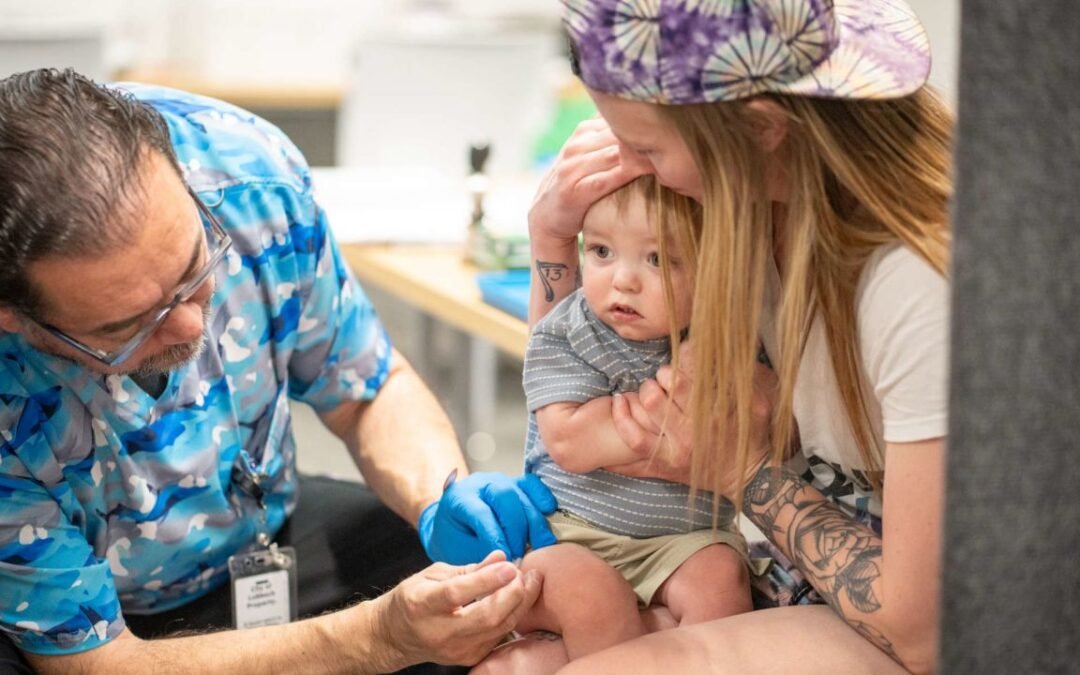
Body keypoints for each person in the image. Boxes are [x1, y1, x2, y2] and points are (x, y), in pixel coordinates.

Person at [0, 68, 558, 674]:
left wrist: (440, 499)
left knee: (493, 601)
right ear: (15, 319)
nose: (191, 326)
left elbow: (366, 390)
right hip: (90, 627)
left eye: (195, 265)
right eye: (129, 325)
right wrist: (377, 639)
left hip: (262, 537)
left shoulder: (247, 175)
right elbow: (96, 663)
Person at [524, 0, 952, 672]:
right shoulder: (739, 207)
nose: (624, 165)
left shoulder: (916, 282)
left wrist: (742, 469)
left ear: (761, 130)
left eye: (645, 148)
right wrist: (552, 235)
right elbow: (577, 370)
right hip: (777, 567)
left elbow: (923, 631)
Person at [477, 176, 761, 672]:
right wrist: (671, 416)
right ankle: (644, 645)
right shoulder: (567, 328)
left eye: (657, 259)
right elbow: (568, 440)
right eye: (602, 251)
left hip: (685, 539)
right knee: (589, 594)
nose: (623, 280)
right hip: (572, 536)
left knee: (722, 581)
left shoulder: (724, 338)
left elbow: (754, 420)